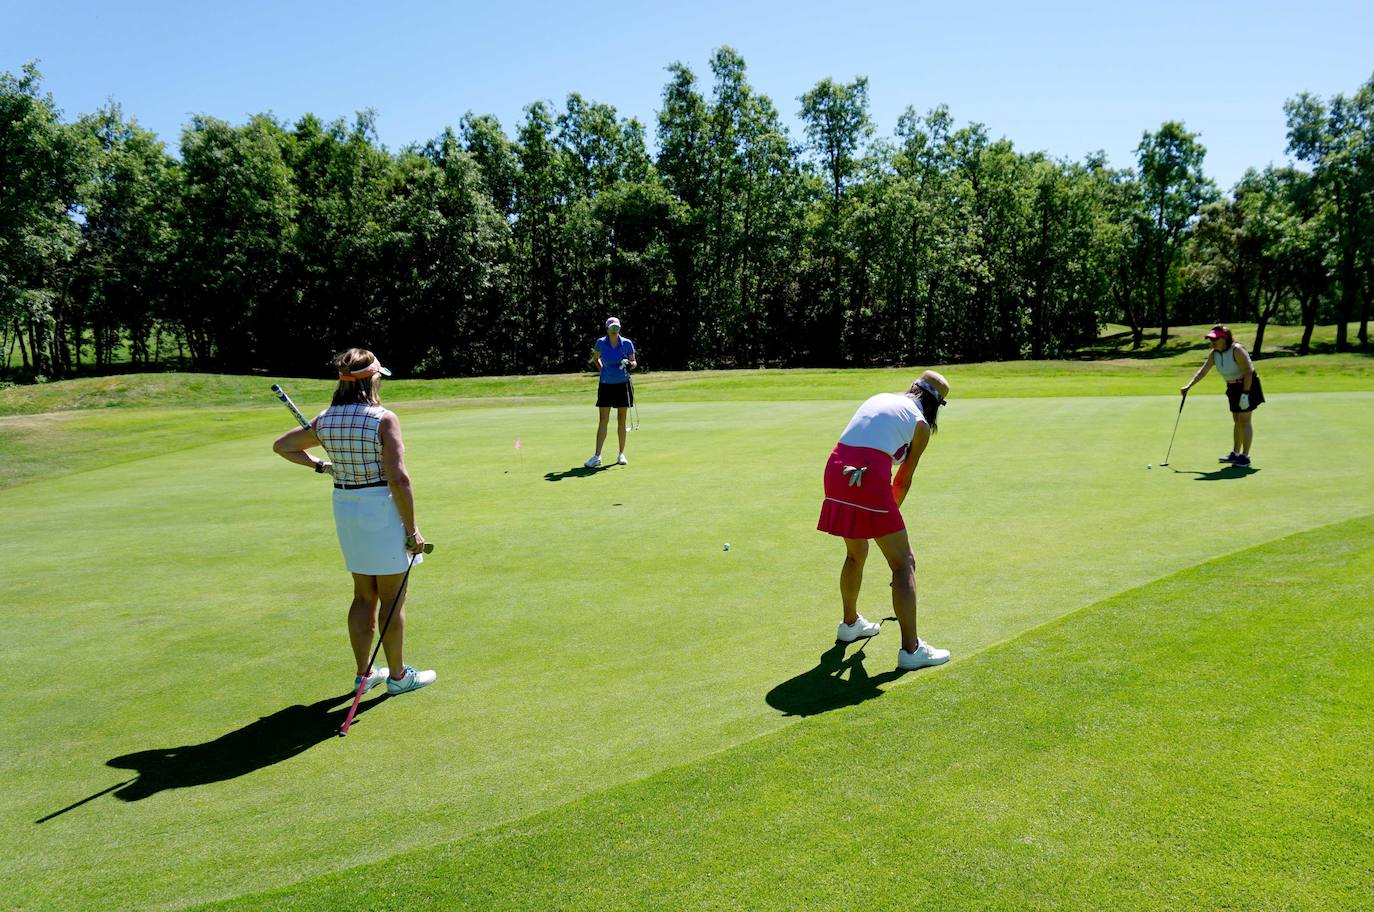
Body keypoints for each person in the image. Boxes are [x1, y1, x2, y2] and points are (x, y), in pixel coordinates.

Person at [272, 348, 436, 697]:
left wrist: (321, 465)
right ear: (372, 379)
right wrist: (412, 530)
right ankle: (396, 676)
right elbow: (399, 479)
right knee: (392, 599)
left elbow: (283, 446)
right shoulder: (384, 418)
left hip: (346, 507)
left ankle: (364, 675)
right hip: (381, 508)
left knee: (364, 596)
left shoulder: (326, 418)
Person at [817, 371, 952, 671]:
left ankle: (850, 624)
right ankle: (911, 650)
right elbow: (903, 481)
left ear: (913, 388)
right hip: (868, 476)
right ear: (936, 405)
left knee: (856, 551)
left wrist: (880, 520)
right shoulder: (921, 425)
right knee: (903, 562)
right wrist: (887, 522)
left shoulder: (880, 397)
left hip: (836, 469)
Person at [1180, 324, 1265, 466]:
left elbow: (1248, 372)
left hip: (1248, 385)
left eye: (1215, 339)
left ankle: (1245, 456)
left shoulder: (1236, 350)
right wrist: (1189, 385)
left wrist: (1245, 394)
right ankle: (1235, 453)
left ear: (1225, 338)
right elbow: (1203, 371)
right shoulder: (1214, 354)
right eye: (1210, 339)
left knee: (1244, 420)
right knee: (1237, 420)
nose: (1212, 342)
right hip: (1232, 387)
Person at [585, 317, 637, 468]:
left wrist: (629, 363)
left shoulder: (627, 343)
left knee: (622, 419)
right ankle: (597, 456)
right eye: (612, 327)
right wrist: (604, 371)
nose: (614, 330)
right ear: (607, 329)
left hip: (623, 384)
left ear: (619, 328)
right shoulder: (601, 342)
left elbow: (634, 362)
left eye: (617, 327)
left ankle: (621, 453)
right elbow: (596, 359)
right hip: (606, 384)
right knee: (603, 420)